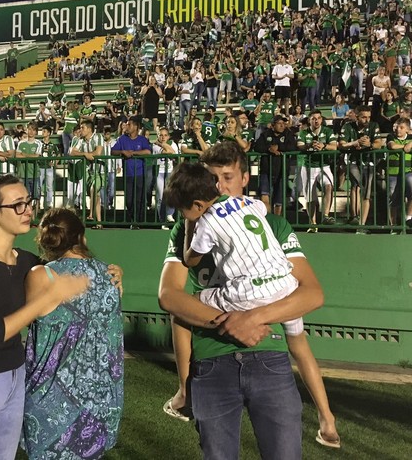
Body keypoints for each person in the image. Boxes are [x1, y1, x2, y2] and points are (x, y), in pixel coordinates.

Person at [159, 142, 337, 458]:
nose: (220, 187)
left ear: (245, 178)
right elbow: (169, 296)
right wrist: (230, 324)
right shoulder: (188, 226)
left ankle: (183, 394)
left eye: (227, 177)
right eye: (212, 180)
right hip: (211, 362)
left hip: (268, 356)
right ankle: (185, 389)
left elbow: (312, 292)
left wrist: (251, 319)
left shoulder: (276, 225)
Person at [0, 174, 90, 460]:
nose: (28, 211)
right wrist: (47, 299)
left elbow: (67, 272)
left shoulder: (26, 260)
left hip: (15, 376)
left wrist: (111, 271)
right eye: (18, 205)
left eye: (29, 202)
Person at [22, 208, 124, 459]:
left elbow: (27, 321)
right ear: (82, 237)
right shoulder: (110, 274)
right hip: (99, 399)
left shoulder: (41, 275)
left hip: (51, 399)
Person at [296, 110, 338, 231]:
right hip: (308, 166)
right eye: (314, 118)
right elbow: (299, 145)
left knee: (329, 186)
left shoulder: (327, 131)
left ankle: (325, 215)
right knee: (310, 197)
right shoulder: (303, 133)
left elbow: (334, 146)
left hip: (323, 165)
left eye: (319, 118)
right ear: (309, 120)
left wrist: (323, 146)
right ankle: (312, 224)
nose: (316, 120)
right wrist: (309, 146)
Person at [111, 117, 151, 228]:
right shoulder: (122, 139)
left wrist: (133, 153)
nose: (126, 126)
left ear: (136, 127)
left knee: (139, 199)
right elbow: (113, 151)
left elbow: (147, 151)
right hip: (128, 174)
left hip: (140, 173)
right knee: (129, 200)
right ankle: (132, 220)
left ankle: (138, 222)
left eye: (129, 125)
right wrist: (122, 151)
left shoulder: (142, 139)